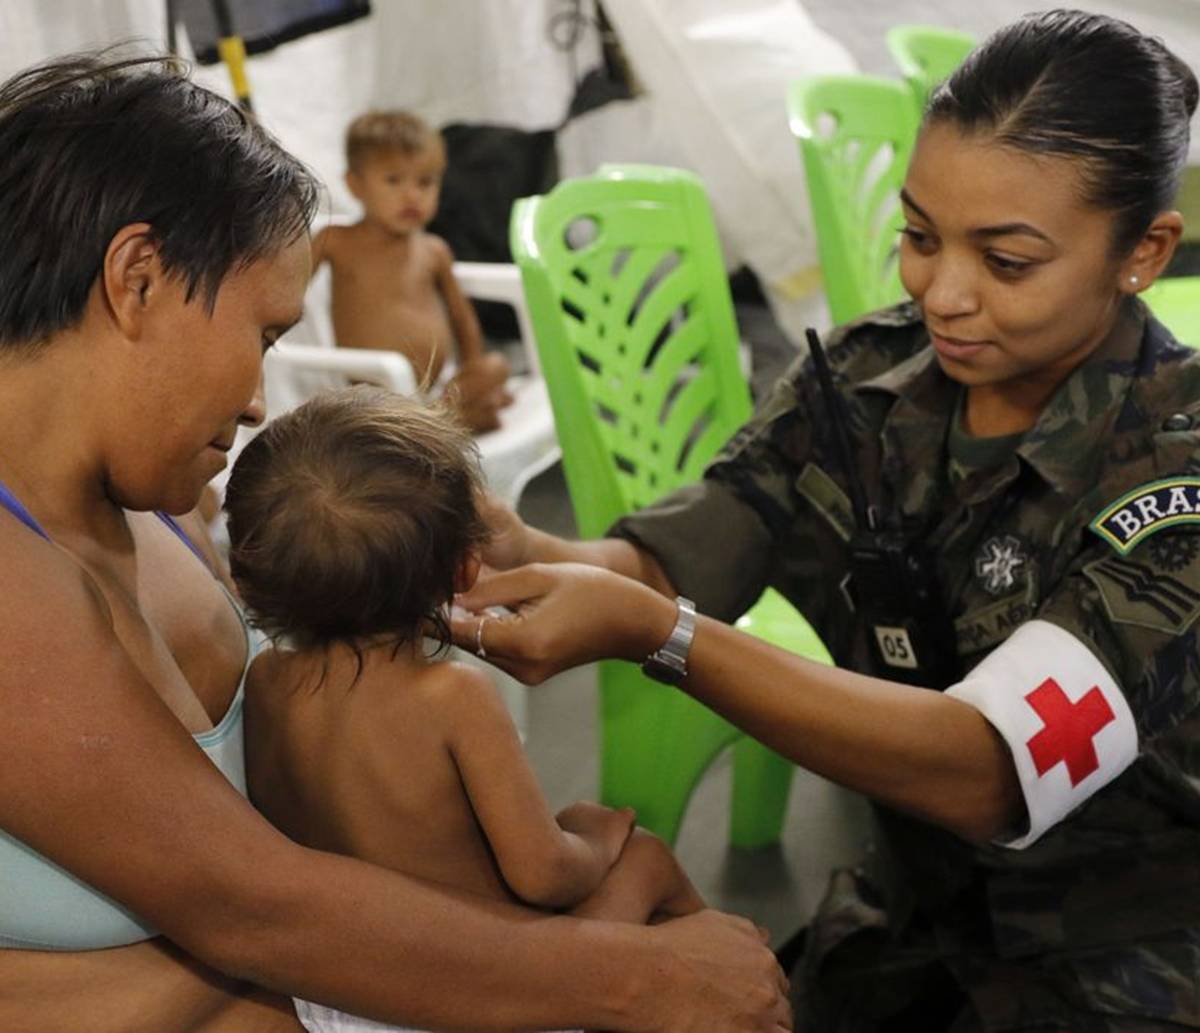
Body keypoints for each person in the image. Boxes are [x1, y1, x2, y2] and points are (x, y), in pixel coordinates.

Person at [0, 51, 791, 1032]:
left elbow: (265, 899)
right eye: (266, 332)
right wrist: (635, 976)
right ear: (139, 278)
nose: (256, 400)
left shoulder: (165, 500)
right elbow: (252, 904)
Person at [450, 10, 1200, 1031]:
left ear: (1144, 251)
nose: (943, 292)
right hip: (910, 922)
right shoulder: (863, 381)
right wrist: (529, 551)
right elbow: (691, 550)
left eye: (1008, 261)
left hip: (1123, 965)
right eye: (919, 236)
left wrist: (659, 638)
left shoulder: (1176, 469)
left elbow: (990, 766)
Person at [223, 385, 707, 1033]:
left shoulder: (264, 682)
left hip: (343, 1002)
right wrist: (598, 834)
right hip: (479, 998)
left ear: (251, 579)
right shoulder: (452, 697)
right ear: (466, 564)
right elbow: (542, 875)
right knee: (645, 859)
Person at [312, 110, 513, 433]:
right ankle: (454, 419)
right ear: (355, 184)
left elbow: (462, 316)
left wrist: (473, 364)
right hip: (373, 389)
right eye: (393, 180)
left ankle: (443, 416)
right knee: (477, 406)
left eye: (425, 182)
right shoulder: (337, 242)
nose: (412, 195)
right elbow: (287, 285)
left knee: (496, 366)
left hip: (436, 388)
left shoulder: (434, 250)